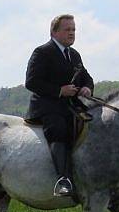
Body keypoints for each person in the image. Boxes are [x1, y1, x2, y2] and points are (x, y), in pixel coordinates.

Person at [25, 14, 94, 197]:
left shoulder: (74, 54)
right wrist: (59, 91)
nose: (72, 33)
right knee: (58, 128)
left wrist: (87, 87)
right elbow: (31, 82)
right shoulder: (42, 52)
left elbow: (86, 77)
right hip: (46, 106)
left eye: (73, 30)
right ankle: (63, 179)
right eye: (67, 29)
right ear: (54, 32)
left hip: (70, 106)